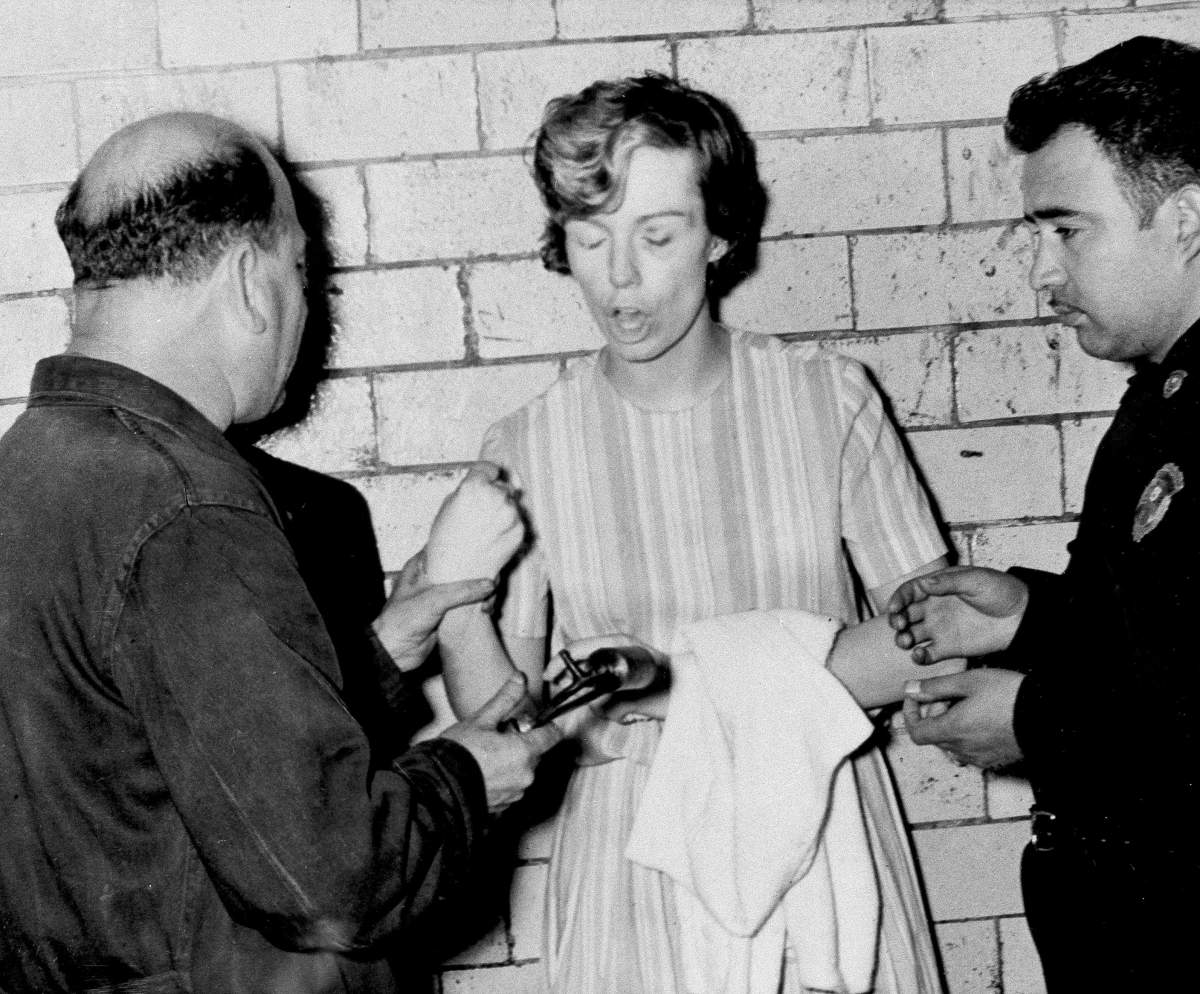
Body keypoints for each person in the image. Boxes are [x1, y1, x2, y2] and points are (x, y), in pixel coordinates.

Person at [0, 111, 561, 994]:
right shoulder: (188, 506)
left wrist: (385, 652)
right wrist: (466, 773)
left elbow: (166, 765)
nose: (304, 303)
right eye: (300, 271)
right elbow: (333, 882)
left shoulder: (31, 468)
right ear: (250, 283)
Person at [439, 73, 959, 993]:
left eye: (659, 235)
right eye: (589, 237)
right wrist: (453, 603)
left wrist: (670, 686)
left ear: (719, 235)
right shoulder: (527, 446)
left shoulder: (826, 399)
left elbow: (937, 642)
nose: (620, 276)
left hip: (818, 840)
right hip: (631, 868)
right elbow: (509, 725)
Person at [886, 35, 1200, 992]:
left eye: (1070, 230)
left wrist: (1033, 720)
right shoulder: (1162, 395)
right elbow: (1165, 641)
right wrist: (1026, 613)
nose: (1043, 276)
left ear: (1187, 219)